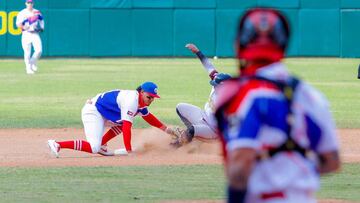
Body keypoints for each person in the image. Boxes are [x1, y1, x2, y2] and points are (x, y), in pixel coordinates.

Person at [214, 8, 340, 203]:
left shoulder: (245, 93)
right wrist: (292, 171)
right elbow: (332, 161)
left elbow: (240, 165)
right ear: (283, 44)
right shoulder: (310, 95)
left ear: (240, 43)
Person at [47, 81, 178, 157]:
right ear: (142, 92)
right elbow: (128, 127)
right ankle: (57, 144)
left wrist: (166, 129)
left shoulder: (140, 103)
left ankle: (102, 145)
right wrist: (129, 150)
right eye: (149, 97)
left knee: (120, 125)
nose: (151, 100)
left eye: (153, 97)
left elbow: (148, 117)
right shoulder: (131, 100)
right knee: (93, 147)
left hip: (106, 114)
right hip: (94, 112)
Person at [171, 43, 231, 147]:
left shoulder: (228, 102)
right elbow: (208, 65)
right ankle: (190, 137)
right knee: (180, 107)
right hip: (203, 116)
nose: (214, 85)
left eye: (216, 85)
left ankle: (173, 148)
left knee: (192, 130)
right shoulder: (217, 80)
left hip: (212, 131)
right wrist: (197, 52)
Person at [16, 0, 44, 75]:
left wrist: (42, 27)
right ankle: (28, 68)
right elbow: (18, 24)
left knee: (39, 51)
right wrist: (25, 27)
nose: (30, 4)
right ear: (25, 3)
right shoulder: (22, 13)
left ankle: (32, 62)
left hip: (35, 33)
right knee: (27, 52)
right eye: (28, 2)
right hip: (26, 34)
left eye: (31, 2)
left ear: (33, 3)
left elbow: (41, 20)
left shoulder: (37, 12)